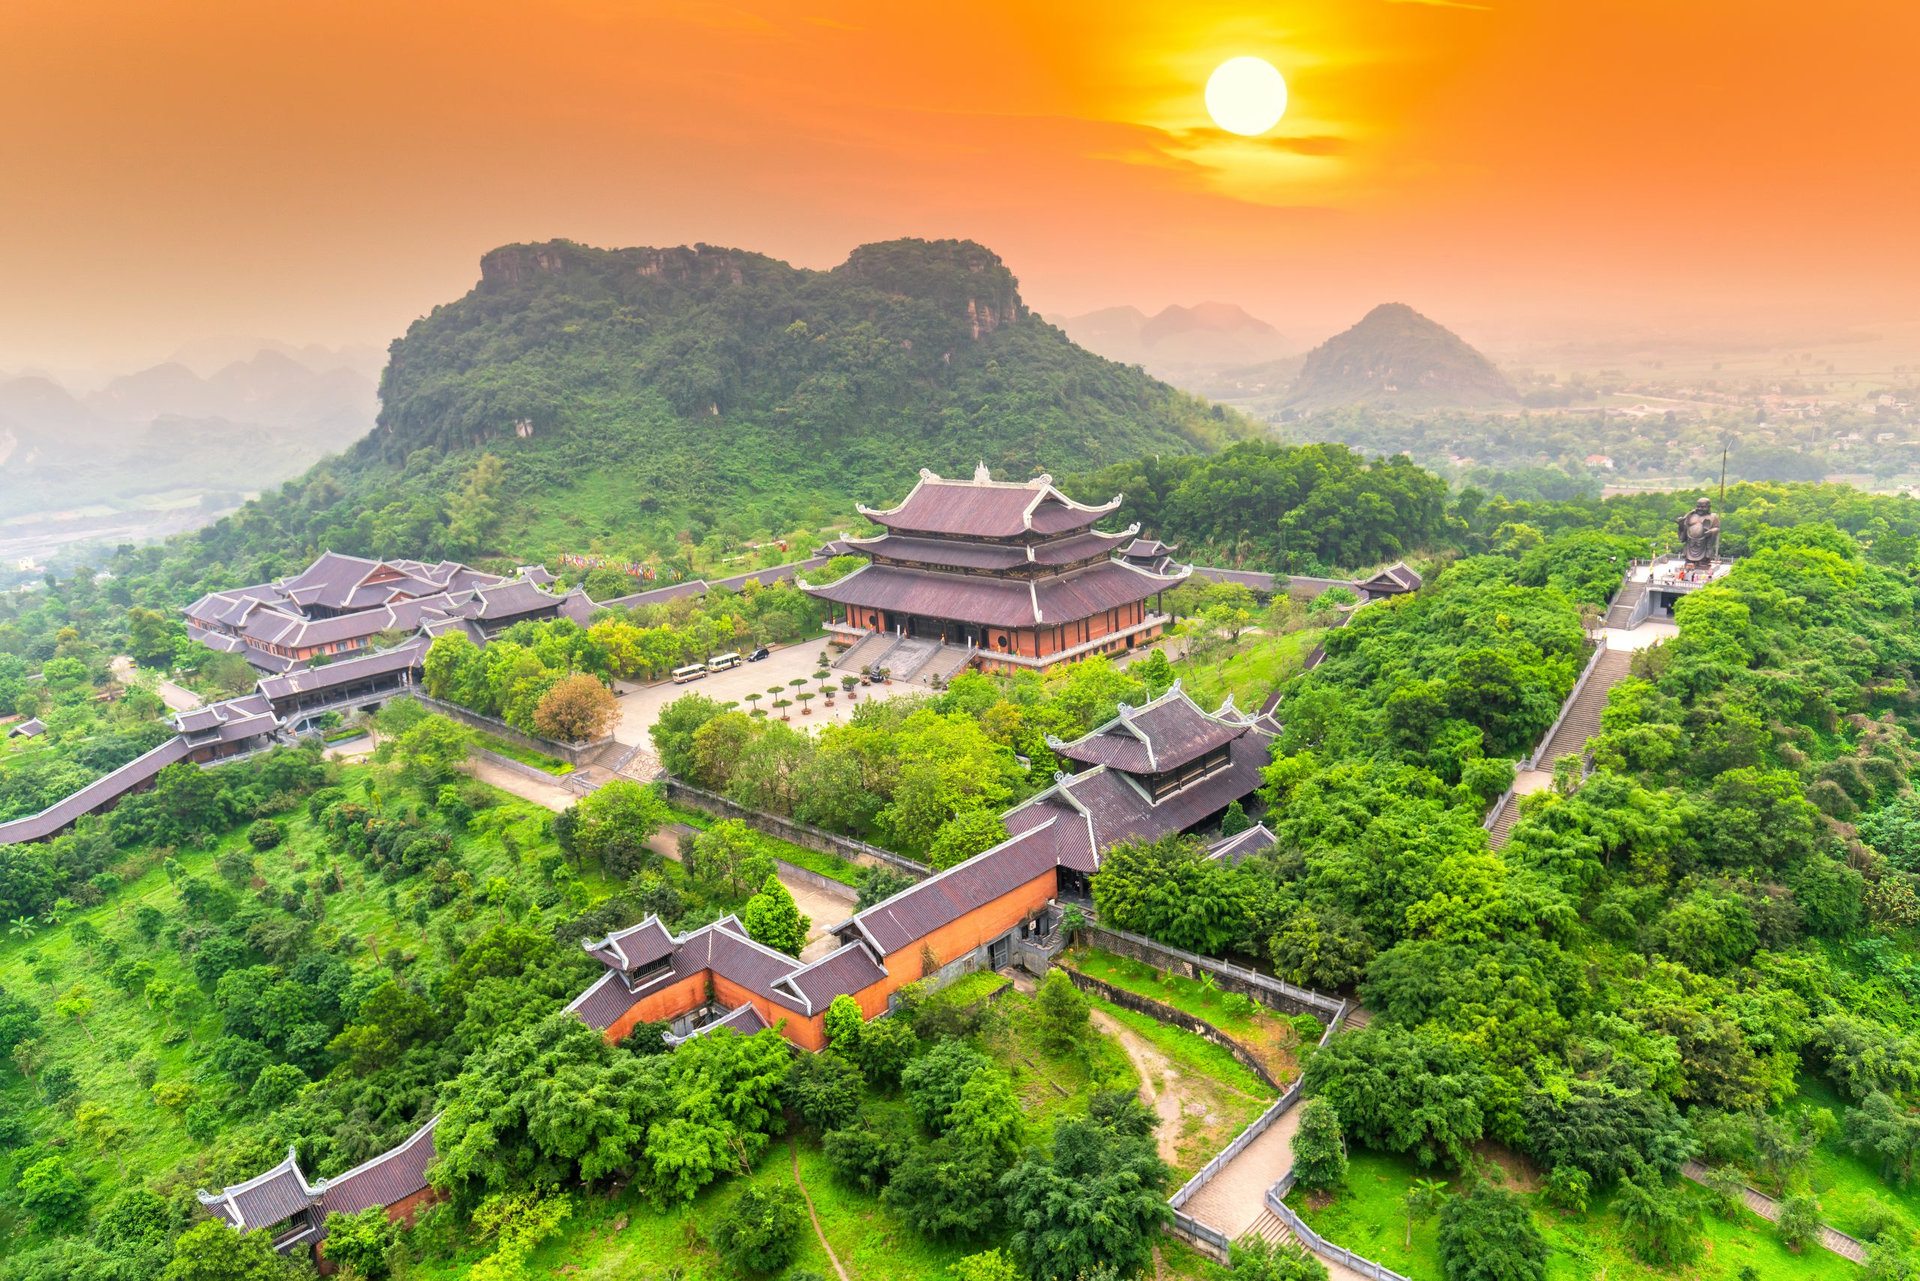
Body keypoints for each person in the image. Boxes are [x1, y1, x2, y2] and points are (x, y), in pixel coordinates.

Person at [1676, 497, 1721, 566]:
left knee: (1704, 560)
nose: (1700, 509)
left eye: (1703, 507)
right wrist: (1680, 524)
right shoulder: (1691, 515)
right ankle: (1689, 561)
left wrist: (1711, 532)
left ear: (1708, 507)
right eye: (1698, 506)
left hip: (1704, 542)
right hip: (1690, 541)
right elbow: (1684, 527)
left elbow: (1717, 528)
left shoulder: (1713, 516)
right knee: (1689, 560)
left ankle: (1703, 561)